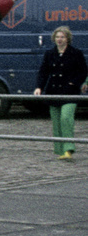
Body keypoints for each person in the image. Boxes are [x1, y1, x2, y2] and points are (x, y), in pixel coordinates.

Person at [34, 26, 88, 159]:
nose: (59, 39)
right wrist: (39, 87)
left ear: (67, 38)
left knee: (66, 118)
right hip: (53, 91)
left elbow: (83, 71)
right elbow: (44, 72)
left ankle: (69, 147)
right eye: (57, 37)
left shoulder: (76, 53)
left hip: (70, 92)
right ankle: (60, 150)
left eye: (62, 37)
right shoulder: (49, 54)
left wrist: (74, 83)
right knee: (56, 122)